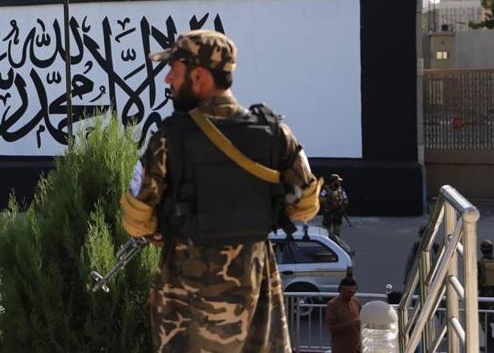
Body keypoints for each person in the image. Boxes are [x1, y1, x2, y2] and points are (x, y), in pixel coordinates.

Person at [120, 30, 322, 352]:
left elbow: (137, 221)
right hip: (255, 290)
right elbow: (306, 207)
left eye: (174, 69)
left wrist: (159, 227)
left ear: (198, 76)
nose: (168, 79)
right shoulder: (276, 134)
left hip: (186, 298)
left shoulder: (167, 140)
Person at [325, 276, 362, 353]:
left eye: (354, 292)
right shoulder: (332, 305)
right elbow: (332, 329)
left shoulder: (356, 301)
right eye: (349, 292)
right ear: (341, 290)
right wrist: (351, 323)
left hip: (356, 347)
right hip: (340, 348)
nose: (352, 295)